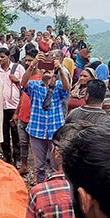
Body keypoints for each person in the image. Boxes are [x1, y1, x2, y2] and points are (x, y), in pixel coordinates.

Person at [21, 52, 72, 183]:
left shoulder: (58, 85)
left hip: (55, 130)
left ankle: (56, 188)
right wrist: (33, 64)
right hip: (37, 130)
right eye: (43, 67)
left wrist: (60, 68)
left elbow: (67, 87)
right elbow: (23, 83)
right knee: (39, 166)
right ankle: (40, 187)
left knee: (57, 165)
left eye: (49, 68)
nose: (46, 71)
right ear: (39, 69)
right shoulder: (34, 85)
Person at [0, 46, 24, 167]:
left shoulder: (18, 68)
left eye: (2, 57)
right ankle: (7, 157)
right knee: (4, 133)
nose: (0, 59)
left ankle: (17, 158)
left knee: (16, 133)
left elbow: (25, 84)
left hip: (14, 105)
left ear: (8, 57)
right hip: (1, 106)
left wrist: (17, 81)